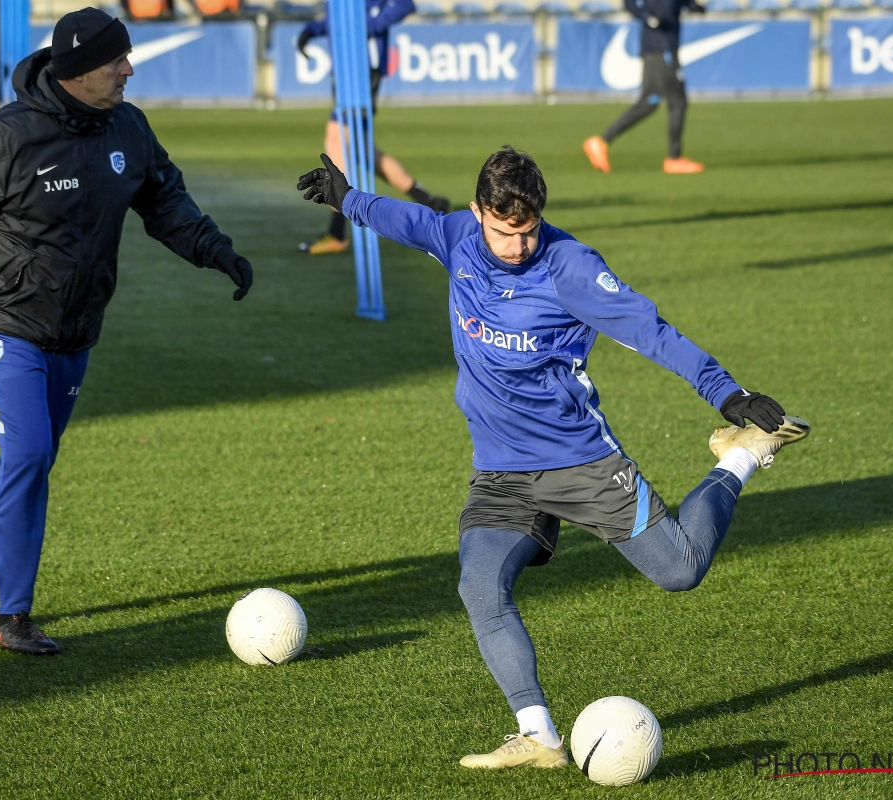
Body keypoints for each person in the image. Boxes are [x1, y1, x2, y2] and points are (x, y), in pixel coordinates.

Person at [298, 146, 808, 767]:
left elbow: (651, 330)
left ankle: (741, 457)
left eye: (528, 230)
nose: (517, 245)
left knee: (680, 570)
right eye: (505, 231)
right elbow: (405, 220)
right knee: (480, 586)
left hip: (580, 462)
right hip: (500, 471)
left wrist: (727, 393)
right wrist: (345, 198)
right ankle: (538, 736)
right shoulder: (457, 237)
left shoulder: (570, 268)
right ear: (479, 212)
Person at [0, 8, 253, 656]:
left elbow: (166, 200)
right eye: (115, 61)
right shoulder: (6, 137)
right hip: (3, 319)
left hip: (77, 326)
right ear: (75, 71)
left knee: (27, 459)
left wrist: (215, 249)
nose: (129, 68)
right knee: (31, 454)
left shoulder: (129, 126)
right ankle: (15, 616)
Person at [296, 0, 451, 254]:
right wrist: (312, 29)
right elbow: (338, 18)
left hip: (363, 71)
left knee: (336, 140)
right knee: (362, 151)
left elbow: (404, 5)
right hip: (345, 71)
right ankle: (428, 200)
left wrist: (364, 27)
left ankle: (337, 231)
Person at [583, 0, 706, 175]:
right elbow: (632, 4)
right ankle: (674, 158)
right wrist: (646, 16)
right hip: (662, 49)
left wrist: (694, 6)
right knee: (678, 102)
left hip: (655, 49)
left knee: (648, 104)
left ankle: (600, 142)